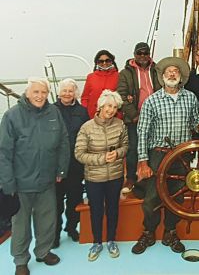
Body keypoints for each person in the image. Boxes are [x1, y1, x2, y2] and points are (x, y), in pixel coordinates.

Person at [132, 56, 199, 255]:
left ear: (181, 76)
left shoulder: (190, 98)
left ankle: (170, 231)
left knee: (176, 196)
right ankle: (149, 232)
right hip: (158, 154)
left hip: (181, 156)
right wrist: (143, 161)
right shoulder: (152, 100)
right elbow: (142, 133)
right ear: (162, 76)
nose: (172, 73)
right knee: (151, 197)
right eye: (168, 71)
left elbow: (195, 122)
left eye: (175, 71)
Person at [0, 77, 70, 275]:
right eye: (36, 92)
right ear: (27, 93)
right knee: (20, 225)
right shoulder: (12, 116)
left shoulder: (53, 112)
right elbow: (3, 152)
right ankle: (20, 260)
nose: (40, 96)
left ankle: (43, 251)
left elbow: (63, 142)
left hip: (47, 180)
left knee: (47, 221)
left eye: (43, 92)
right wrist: (7, 183)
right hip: (20, 183)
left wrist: (61, 170)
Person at [75, 90, 128, 262]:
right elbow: (79, 154)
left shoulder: (120, 125)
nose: (111, 110)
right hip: (94, 178)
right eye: (108, 106)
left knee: (113, 209)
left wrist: (118, 154)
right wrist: (101, 158)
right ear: (100, 106)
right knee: (96, 210)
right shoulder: (87, 127)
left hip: (115, 176)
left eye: (114, 107)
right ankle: (97, 242)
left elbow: (125, 146)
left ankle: (111, 240)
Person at [117, 42, 161, 192]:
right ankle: (130, 178)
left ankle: (151, 178)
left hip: (156, 118)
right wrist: (134, 115)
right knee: (133, 148)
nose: (142, 56)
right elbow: (121, 96)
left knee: (153, 148)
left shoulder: (157, 70)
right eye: (139, 53)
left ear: (149, 54)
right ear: (134, 54)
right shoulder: (126, 73)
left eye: (145, 53)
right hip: (135, 117)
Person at [53, 78, 89, 248]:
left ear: (76, 93)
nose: (67, 94)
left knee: (74, 198)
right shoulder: (50, 110)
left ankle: (72, 228)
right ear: (59, 92)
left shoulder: (82, 112)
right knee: (56, 201)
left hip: (75, 164)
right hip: (56, 164)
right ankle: (55, 234)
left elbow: (87, 134)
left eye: (71, 90)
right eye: (64, 90)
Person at [81, 49, 119, 118]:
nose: (104, 63)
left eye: (107, 60)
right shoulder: (90, 77)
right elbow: (84, 97)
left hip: (113, 116)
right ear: (97, 63)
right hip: (93, 116)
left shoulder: (119, 76)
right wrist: (86, 111)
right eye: (101, 61)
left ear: (112, 62)